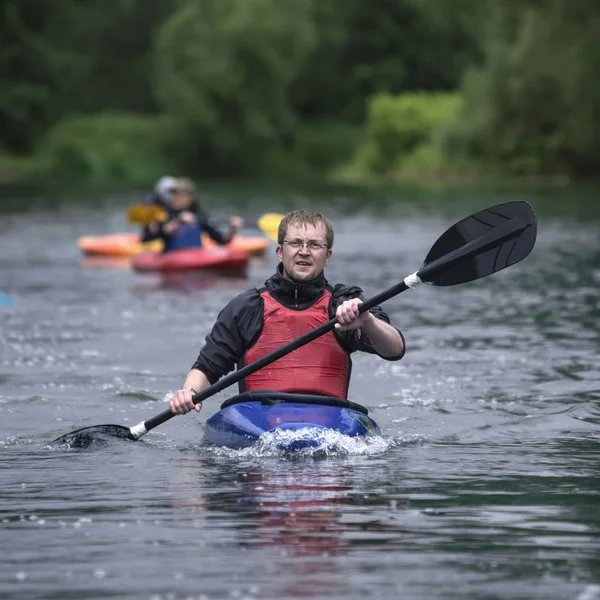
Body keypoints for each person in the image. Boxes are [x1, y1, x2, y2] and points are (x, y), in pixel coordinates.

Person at [169, 209, 405, 415]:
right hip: (260, 424)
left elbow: (395, 350)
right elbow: (207, 366)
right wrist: (188, 392)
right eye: (295, 243)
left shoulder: (345, 304)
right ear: (280, 252)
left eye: (314, 245)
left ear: (327, 256)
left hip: (331, 425)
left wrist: (368, 322)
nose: (304, 251)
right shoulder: (247, 307)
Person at [144, 177, 244, 253]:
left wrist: (233, 229)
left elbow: (222, 241)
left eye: (181, 195)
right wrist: (179, 221)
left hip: (195, 256)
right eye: (174, 195)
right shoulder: (164, 213)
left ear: (190, 198)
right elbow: (155, 235)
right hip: (171, 256)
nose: (176, 198)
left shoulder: (199, 215)